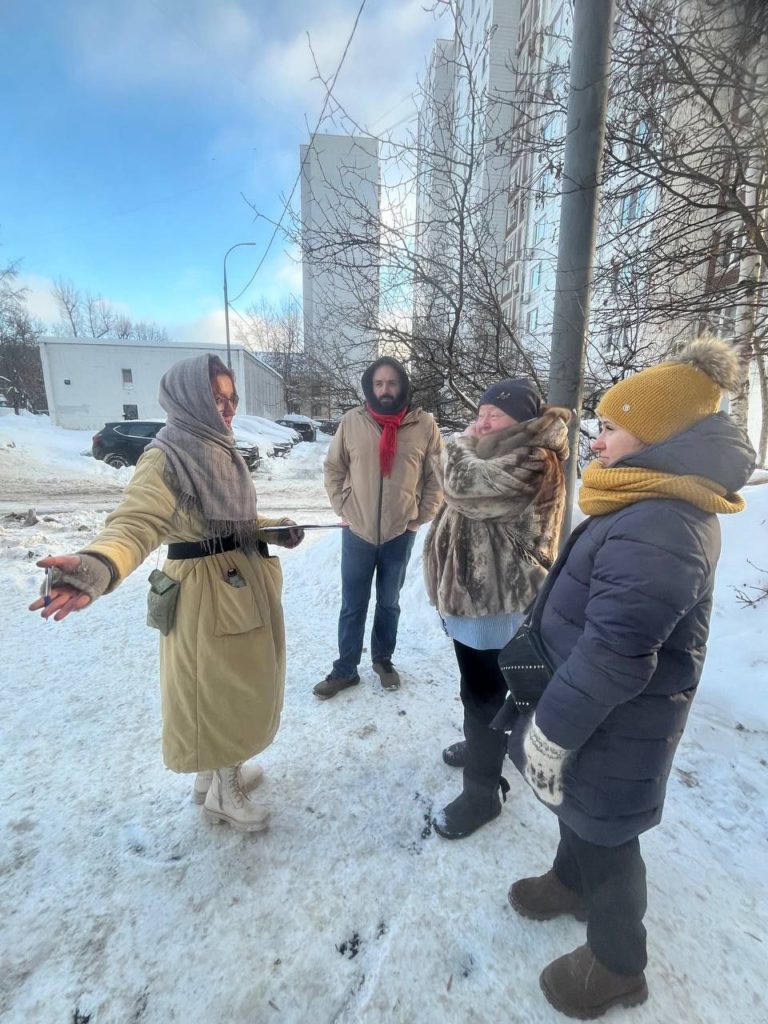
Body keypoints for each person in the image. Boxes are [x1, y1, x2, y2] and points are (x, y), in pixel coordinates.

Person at [504, 338, 755, 1018]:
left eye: (611, 427)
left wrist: (552, 733)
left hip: (618, 720)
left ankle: (619, 965)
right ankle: (570, 882)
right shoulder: (645, 498)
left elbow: (616, 653)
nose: (597, 439)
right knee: (582, 811)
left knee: (608, 835)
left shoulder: (665, 522)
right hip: (594, 709)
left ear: (657, 435)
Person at [29, 353, 304, 833]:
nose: (228, 408)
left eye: (231, 398)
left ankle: (211, 776)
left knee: (227, 685)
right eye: (216, 397)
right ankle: (224, 793)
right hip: (208, 594)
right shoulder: (167, 456)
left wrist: (275, 529)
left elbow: (232, 522)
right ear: (189, 398)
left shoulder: (219, 449)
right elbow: (136, 522)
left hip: (235, 584)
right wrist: (98, 565)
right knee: (223, 691)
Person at [423, 379, 570, 839]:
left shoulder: (534, 458)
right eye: (481, 413)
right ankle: (484, 743)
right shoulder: (497, 452)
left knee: (482, 692)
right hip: (473, 600)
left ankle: (482, 793)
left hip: (497, 602)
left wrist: (460, 444)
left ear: (522, 421)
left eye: (495, 415)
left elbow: (462, 486)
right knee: (481, 686)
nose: (482, 422)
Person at [315, 356, 443, 698]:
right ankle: (345, 669)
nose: (385, 389)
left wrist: (420, 515)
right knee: (352, 604)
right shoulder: (352, 421)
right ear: (370, 387)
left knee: (389, 602)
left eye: (392, 383)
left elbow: (437, 475)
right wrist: (342, 505)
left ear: (402, 386)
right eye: (379, 383)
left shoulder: (424, 425)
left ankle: (383, 660)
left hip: (399, 533)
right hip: (357, 531)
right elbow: (333, 468)